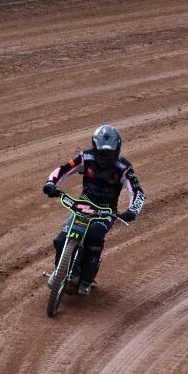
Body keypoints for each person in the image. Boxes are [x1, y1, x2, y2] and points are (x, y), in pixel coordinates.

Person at [43, 124, 145, 294]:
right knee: (60, 241)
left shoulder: (123, 167)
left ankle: (87, 278)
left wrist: (133, 210)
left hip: (106, 210)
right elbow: (63, 170)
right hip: (82, 205)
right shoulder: (85, 158)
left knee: (95, 235)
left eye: (110, 153)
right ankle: (59, 271)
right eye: (103, 153)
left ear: (117, 150)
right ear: (95, 148)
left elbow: (136, 190)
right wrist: (51, 184)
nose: (106, 158)